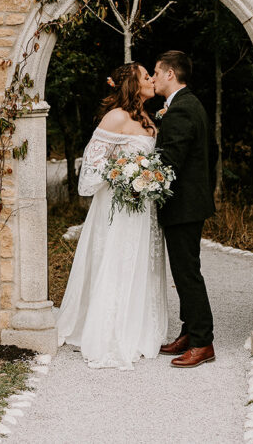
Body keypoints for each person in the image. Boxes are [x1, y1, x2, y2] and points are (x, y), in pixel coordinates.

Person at [56, 62, 168, 370]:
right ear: (133, 84)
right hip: (119, 205)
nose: (152, 80)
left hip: (143, 205)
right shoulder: (116, 117)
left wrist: (148, 178)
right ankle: (110, 332)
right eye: (147, 77)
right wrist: (125, 177)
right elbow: (91, 169)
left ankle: (138, 326)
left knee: (140, 262)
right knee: (118, 262)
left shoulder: (145, 116)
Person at [153, 50, 216, 368]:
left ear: (169, 74)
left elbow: (168, 163)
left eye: (156, 72)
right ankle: (189, 332)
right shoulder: (189, 104)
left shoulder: (180, 110)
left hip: (183, 205)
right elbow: (212, 153)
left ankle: (203, 342)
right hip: (192, 201)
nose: (152, 78)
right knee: (183, 271)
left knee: (187, 273)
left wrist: (144, 178)